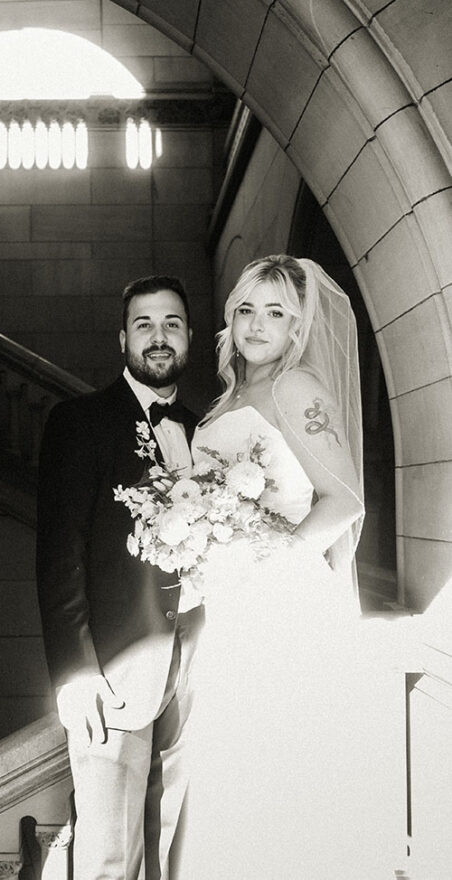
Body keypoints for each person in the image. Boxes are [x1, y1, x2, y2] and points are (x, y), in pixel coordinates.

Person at [173, 254, 402, 879]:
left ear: (298, 327)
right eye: (246, 309)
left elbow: (346, 498)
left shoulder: (293, 388)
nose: (256, 325)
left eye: (275, 313)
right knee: (239, 768)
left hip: (283, 599)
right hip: (231, 604)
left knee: (281, 766)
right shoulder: (228, 401)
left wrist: (276, 555)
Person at [36, 275, 204, 880]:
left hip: (195, 671)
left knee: (173, 853)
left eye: (172, 325)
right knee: (109, 857)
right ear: (122, 338)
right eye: (145, 325)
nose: (159, 338)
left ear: (189, 337)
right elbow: (61, 557)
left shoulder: (206, 427)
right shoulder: (78, 422)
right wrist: (75, 674)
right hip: (114, 674)